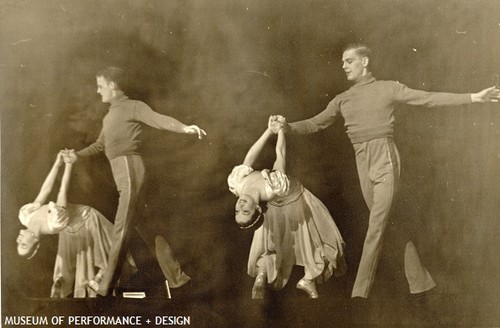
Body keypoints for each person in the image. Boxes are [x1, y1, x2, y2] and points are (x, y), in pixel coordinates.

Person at [276, 43, 500, 300]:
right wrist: (286, 126)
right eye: (343, 62)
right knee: (388, 224)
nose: (344, 66)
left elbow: (428, 99)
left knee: (376, 226)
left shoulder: (388, 88)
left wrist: (474, 97)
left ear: (365, 62)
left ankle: (359, 295)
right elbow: (316, 123)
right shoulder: (343, 99)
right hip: (363, 161)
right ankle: (422, 284)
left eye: (349, 61)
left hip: (385, 159)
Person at [64, 66, 205, 296]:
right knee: (149, 230)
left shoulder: (134, 106)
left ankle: (104, 288)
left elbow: (158, 120)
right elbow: (100, 145)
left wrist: (184, 128)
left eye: (100, 86)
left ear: (112, 85)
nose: (98, 92)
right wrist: (77, 155)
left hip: (131, 169)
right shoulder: (110, 115)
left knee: (121, 229)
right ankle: (178, 279)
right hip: (124, 175)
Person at [227, 116, 346, 299]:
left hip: (276, 208)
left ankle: (262, 275)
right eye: (245, 211)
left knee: (273, 245)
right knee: (320, 239)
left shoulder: (237, 184)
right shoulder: (272, 188)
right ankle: (308, 278)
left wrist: (268, 130)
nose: (240, 206)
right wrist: (281, 129)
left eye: (237, 211)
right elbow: (280, 155)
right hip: (296, 203)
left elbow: (249, 157)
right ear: (258, 209)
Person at [17, 151, 114, 298]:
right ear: (35, 243)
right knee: (72, 274)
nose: (19, 240)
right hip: (85, 222)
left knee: (103, 259)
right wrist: (69, 164)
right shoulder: (54, 223)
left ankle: (98, 279)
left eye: (18, 244)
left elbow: (45, 190)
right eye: (23, 245)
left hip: (82, 220)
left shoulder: (26, 216)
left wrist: (58, 163)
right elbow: (62, 192)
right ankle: (96, 283)